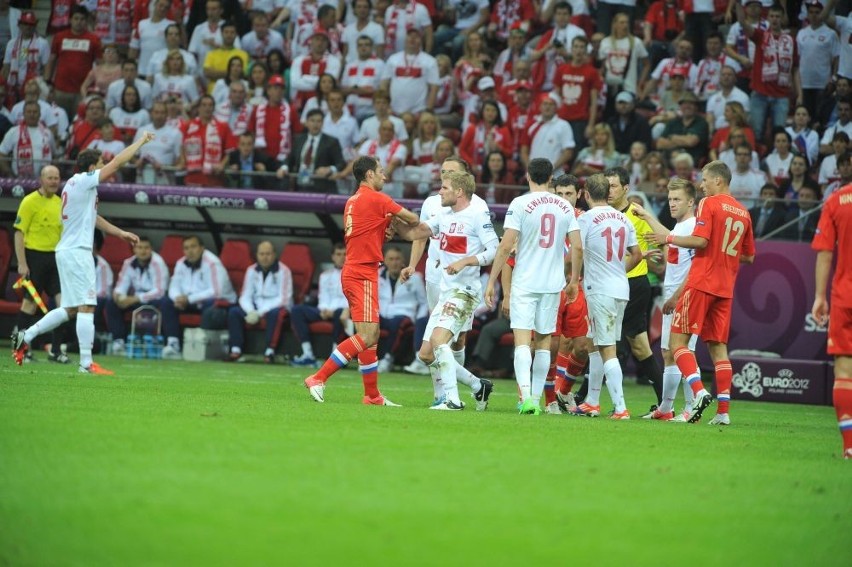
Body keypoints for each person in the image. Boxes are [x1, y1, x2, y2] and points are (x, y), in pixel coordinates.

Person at [12, 133, 156, 373]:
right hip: (77, 252)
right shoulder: (84, 180)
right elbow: (117, 163)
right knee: (88, 305)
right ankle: (86, 364)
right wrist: (140, 142)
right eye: (100, 163)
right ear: (92, 167)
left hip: (66, 251)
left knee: (70, 309)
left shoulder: (76, 187)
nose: (103, 167)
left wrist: (120, 233)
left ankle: (26, 336)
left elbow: (93, 217)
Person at [303, 156, 421, 406]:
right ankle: (318, 377)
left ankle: (372, 396)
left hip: (355, 270)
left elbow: (365, 233)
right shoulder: (377, 198)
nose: (385, 176)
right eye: (381, 172)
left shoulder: (352, 201)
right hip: (362, 273)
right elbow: (412, 221)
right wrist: (404, 219)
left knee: (371, 335)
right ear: (369, 175)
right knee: (368, 336)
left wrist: (383, 228)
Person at [647, 160, 756, 424]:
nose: (701, 185)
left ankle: (698, 393)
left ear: (718, 180)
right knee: (719, 349)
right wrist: (723, 255)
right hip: (725, 287)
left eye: (704, 180)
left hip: (701, 281)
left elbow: (700, 241)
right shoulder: (744, 212)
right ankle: (723, 413)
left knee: (677, 344)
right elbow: (749, 257)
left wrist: (668, 239)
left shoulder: (709, 203)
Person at [485, 158, 583, 414]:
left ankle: (525, 398)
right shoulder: (564, 205)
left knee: (521, 342)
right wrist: (573, 281)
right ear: (551, 178)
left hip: (526, 282)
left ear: (528, 176)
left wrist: (492, 280)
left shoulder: (520, 203)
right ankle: (538, 400)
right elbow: (578, 246)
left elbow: (506, 246)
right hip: (552, 285)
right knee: (542, 343)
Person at [395, 170, 497, 411]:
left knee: (440, 341)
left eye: (444, 187)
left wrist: (465, 261)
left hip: (465, 291)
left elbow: (494, 248)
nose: (439, 191)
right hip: (446, 292)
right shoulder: (444, 215)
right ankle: (477, 385)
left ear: (459, 191)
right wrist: (392, 220)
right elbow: (415, 233)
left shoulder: (477, 215)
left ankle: (452, 400)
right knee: (426, 355)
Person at [569, 173, 642, 418]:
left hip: (599, 289)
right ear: (608, 193)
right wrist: (618, 271)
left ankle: (620, 408)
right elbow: (637, 254)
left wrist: (573, 279)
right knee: (594, 343)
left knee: (607, 347)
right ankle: (591, 400)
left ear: (586, 194)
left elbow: (577, 248)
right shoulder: (623, 218)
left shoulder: (587, 218)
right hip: (621, 288)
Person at [632, 179, 699, 421]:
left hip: (685, 296)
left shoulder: (692, 226)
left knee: (683, 351)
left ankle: (692, 409)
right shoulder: (681, 227)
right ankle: (666, 408)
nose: (672, 204)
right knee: (669, 351)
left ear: (691, 202)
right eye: (670, 199)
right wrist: (647, 215)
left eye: (677, 199)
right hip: (673, 293)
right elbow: (668, 236)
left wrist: (677, 295)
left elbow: (696, 269)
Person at [605, 166, 665, 407]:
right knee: (640, 347)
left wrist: (658, 254)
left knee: (610, 341)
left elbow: (663, 241)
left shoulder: (637, 216)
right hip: (611, 282)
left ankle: (582, 396)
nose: (609, 191)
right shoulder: (602, 214)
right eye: (606, 186)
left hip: (634, 284)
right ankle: (665, 402)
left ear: (626, 189)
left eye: (614, 186)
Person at [811, 173, 852, 459]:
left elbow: (825, 253)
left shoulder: (837, 199)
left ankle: (849, 446)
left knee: (844, 370)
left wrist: (820, 297)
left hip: (844, 295)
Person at [11, 164, 67, 363]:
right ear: (41, 179)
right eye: (50, 177)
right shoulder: (29, 202)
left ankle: (56, 351)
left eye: (56, 178)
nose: (53, 181)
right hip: (34, 258)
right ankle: (20, 349)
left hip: (56, 259)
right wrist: (22, 263)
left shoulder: (61, 202)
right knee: (29, 305)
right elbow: (19, 233)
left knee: (64, 306)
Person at [160, 235, 238, 360]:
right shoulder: (181, 263)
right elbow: (173, 286)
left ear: (202, 248)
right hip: (189, 302)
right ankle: (173, 344)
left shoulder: (212, 263)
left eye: (193, 247)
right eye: (186, 248)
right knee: (166, 302)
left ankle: (199, 348)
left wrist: (189, 299)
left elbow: (217, 292)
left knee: (211, 306)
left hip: (220, 303)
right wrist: (178, 298)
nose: (190, 251)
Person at [227, 241, 293, 363]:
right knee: (234, 312)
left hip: (276, 306)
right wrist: (251, 311)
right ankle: (235, 349)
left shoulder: (284, 271)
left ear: (274, 254)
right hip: (255, 307)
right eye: (261, 254)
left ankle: (270, 351)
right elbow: (245, 296)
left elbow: (284, 298)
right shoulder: (251, 270)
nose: (265, 257)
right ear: (257, 255)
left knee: (276, 314)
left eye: (268, 254)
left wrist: (260, 313)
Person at [289, 243, 353, 367]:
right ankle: (307, 353)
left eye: (345, 254)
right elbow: (322, 297)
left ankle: (335, 356)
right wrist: (324, 310)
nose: (342, 257)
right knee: (297, 310)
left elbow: (351, 299)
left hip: (344, 311)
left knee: (341, 312)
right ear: (333, 257)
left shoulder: (355, 274)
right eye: (338, 254)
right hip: (324, 310)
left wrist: (332, 311)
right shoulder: (325, 275)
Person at [107, 236, 170, 355]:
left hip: (152, 300)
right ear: (134, 249)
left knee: (166, 302)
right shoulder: (129, 262)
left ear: (151, 249)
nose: (143, 251)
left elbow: (160, 290)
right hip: (134, 300)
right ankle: (118, 341)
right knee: (112, 302)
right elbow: (121, 284)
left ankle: (168, 343)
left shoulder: (158, 263)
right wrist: (119, 296)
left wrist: (136, 298)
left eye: (146, 248)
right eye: (139, 247)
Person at [377, 246, 428, 373]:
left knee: (397, 322)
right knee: (364, 319)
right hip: (382, 315)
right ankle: (365, 358)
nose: (394, 262)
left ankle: (387, 358)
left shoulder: (415, 278)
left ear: (403, 261)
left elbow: (423, 302)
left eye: (397, 259)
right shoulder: (377, 276)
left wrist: (419, 318)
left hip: (404, 315)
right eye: (391, 259)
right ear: (385, 261)